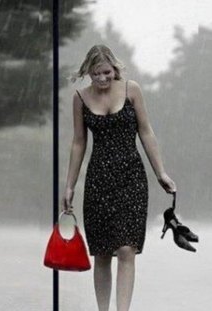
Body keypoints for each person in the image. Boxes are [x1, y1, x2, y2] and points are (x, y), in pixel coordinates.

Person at [61, 44, 176, 311]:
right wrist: (69, 186)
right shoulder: (80, 97)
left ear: (114, 69)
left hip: (131, 177)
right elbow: (78, 143)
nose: (101, 79)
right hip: (98, 179)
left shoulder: (131, 90)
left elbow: (146, 132)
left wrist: (161, 172)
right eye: (95, 74)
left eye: (106, 72)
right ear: (88, 73)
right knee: (101, 252)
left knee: (126, 248)